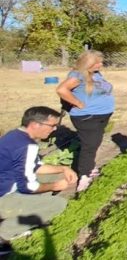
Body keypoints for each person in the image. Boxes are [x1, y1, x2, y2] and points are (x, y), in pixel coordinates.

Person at [0, 107, 76, 242]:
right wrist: (54, 186)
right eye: (52, 126)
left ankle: (29, 210)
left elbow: (35, 167)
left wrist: (63, 169)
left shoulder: (15, 135)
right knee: (58, 204)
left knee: (56, 175)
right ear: (35, 124)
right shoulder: (26, 146)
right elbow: (28, 187)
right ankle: (5, 234)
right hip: (3, 195)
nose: (54, 130)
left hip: (7, 184)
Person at [57, 50, 115, 192]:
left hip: (100, 116)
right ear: (87, 63)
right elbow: (61, 90)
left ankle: (89, 166)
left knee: (94, 142)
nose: (101, 64)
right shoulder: (77, 75)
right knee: (89, 145)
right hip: (87, 117)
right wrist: (78, 103)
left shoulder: (95, 74)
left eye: (101, 61)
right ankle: (84, 175)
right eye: (97, 62)